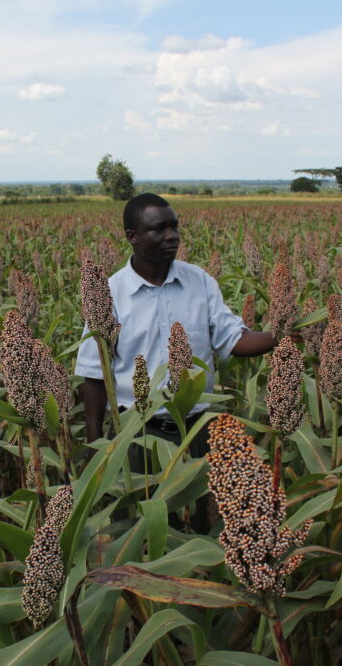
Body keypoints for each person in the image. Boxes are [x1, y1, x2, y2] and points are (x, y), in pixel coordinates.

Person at [75, 193, 280, 496]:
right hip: (136, 434)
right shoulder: (109, 293)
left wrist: (282, 334)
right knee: (138, 523)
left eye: (175, 227)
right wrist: (96, 446)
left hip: (198, 430)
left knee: (197, 521)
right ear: (132, 236)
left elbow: (234, 340)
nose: (172, 236)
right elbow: (94, 373)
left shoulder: (199, 281)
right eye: (159, 229)